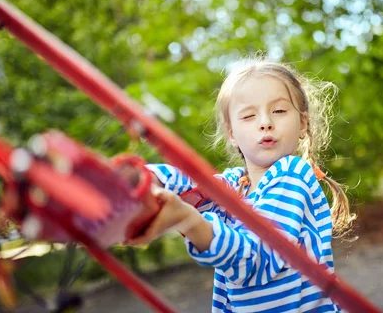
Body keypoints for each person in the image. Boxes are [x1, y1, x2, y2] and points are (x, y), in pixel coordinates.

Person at [129, 59, 355, 312]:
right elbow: (187, 184)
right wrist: (140, 181)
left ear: (302, 123)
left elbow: (258, 260)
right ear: (232, 133)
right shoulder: (235, 185)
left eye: (279, 111)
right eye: (249, 116)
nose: (265, 122)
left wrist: (190, 221)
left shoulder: (293, 174)